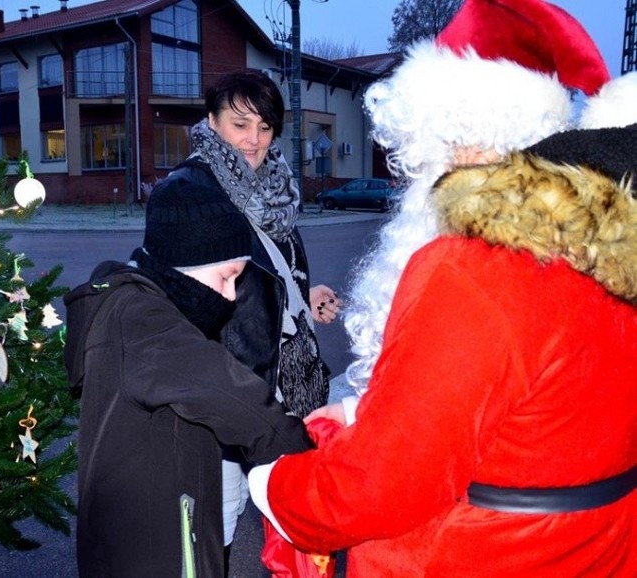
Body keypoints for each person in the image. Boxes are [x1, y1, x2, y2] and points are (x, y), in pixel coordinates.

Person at [248, 0, 636, 576]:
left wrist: (277, 486)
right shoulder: (606, 245)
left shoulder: (472, 267)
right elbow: (530, 409)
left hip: (477, 554)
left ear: (462, 142)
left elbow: (380, 485)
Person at [63, 181, 312, 578]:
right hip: (160, 552)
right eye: (226, 277)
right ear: (184, 268)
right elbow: (238, 400)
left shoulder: (129, 302)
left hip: (133, 535)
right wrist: (307, 450)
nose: (230, 297)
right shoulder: (150, 326)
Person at [150, 68, 341, 564]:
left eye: (265, 126)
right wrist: (212, 388)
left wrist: (301, 293)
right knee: (223, 507)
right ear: (211, 122)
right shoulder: (187, 193)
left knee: (281, 502)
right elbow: (178, 300)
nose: (254, 140)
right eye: (240, 124)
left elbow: (264, 273)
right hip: (228, 378)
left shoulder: (272, 187)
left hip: (281, 372)